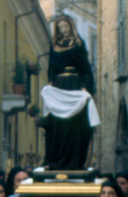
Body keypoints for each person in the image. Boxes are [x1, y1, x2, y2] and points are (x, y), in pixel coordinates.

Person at [40, 15, 100, 170]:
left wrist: (86, 86)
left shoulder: (79, 44)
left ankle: (75, 160)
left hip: (74, 85)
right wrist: (51, 82)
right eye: (60, 28)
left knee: (75, 124)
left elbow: (86, 68)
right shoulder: (54, 46)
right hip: (60, 87)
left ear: (71, 27)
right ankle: (55, 160)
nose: (63, 30)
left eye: (65, 26)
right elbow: (51, 68)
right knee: (57, 123)